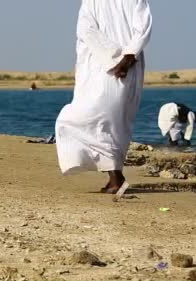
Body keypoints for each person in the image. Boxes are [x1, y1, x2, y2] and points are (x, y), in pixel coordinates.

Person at [54, 0, 152, 194]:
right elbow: (86, 30)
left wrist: (127, 57)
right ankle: (115, 177)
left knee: (113, 122)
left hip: (124, 68)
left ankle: (116, 178)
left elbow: (143, 27)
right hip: (99, 67)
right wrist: (118, 57)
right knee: (88, 120)